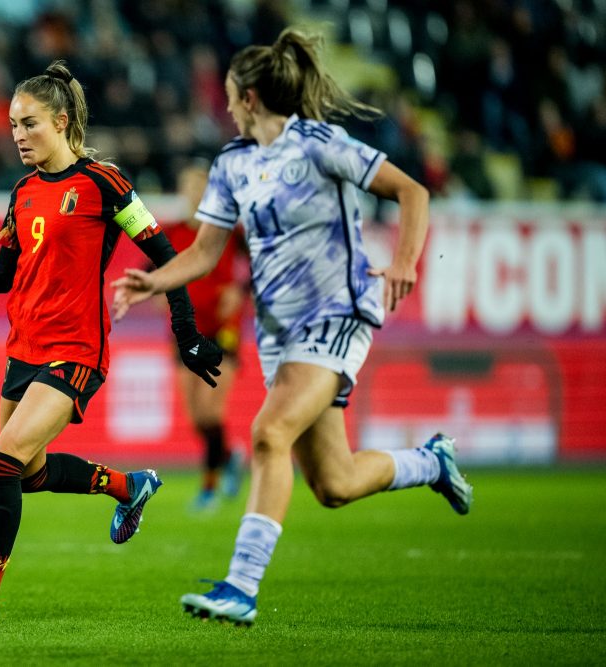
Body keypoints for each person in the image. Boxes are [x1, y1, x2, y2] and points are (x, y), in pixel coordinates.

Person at [111, 27, 473, 627]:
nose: (224, 105)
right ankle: (431, 463)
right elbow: (205, 252)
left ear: (248, 97)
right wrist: (156, 280)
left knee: (267, 434)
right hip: (280, 333)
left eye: (229, 95)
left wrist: (406, 261)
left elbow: (411, 192)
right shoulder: (232, 165)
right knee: (334, 483)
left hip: (337, 313)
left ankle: (240, 587)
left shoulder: (320, 144)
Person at [0, 60, 222, 631]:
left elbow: (167, 257)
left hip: (76, 351)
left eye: (28, 124)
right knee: (25, 472)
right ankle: (130, 486)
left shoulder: (106, 183)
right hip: (22, 350)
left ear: (61, 120)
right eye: (12, 126)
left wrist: (187, 335)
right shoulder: (23, 192)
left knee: (0, 461)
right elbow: (2, 274)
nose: (19, 136)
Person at [166, 160, 250, 511]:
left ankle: (209, 488)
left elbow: (259, 266)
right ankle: (231, 457)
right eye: (189, 188)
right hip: (186, 332)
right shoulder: (171, 233)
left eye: (201, 188)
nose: (195, 194)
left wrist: (239, 292)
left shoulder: (228, 231)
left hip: (221, 330)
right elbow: (151, 271)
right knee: (196, 417)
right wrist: (154, 291)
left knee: (211, 412)